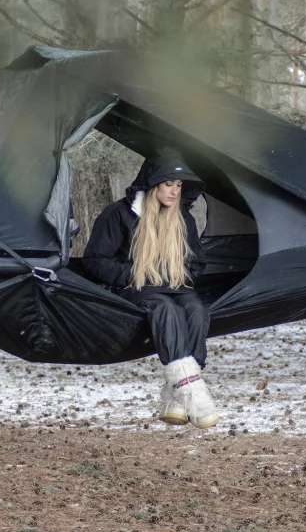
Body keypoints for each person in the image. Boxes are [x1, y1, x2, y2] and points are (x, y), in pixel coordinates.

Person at [82, 147, 220, 429]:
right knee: (165, 309)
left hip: (174, 286)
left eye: (179, 185)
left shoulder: (182, 218)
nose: (174, 191)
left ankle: (177, 397)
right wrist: (136, 275)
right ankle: (196, 398)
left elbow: (197, 261)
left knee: (196, 310)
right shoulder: (119, 214)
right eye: (168, 184)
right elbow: (95, 260)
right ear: (152, 184)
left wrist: (178, 275)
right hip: (132, 287)